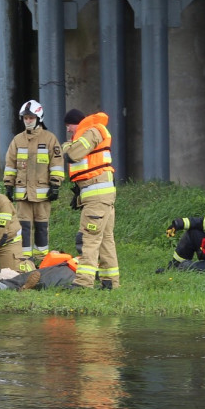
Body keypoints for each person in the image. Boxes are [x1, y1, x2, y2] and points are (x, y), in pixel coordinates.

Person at [2, 99, 64, 269]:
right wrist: (8, 185)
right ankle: (24, 261)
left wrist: (55, 185)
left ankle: (42, 262)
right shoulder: (17, 140)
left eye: (31, 118)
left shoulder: (50, 139)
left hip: (43, 195)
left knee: (42, 227)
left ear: (39, 118)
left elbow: (57, 164)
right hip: (23, 195)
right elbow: (10, 164)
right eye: (25, 118)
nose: (28, 121)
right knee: (24, 228)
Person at [61, 108, 119, 290]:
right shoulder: (93, 131)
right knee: (105, 239)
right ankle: (110, 282)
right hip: (100, 195)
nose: (69, 130)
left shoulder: (91, 131)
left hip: (97, 196)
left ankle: (83, 283)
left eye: (69, 126)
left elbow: (72, 154)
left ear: (76, 122)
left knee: (89, 238)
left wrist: (65, 146)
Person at [0, 250, 80, 292]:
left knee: (46, 281)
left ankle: (26, 288)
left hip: (75, 273)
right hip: (65, 265)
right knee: (29, 276)